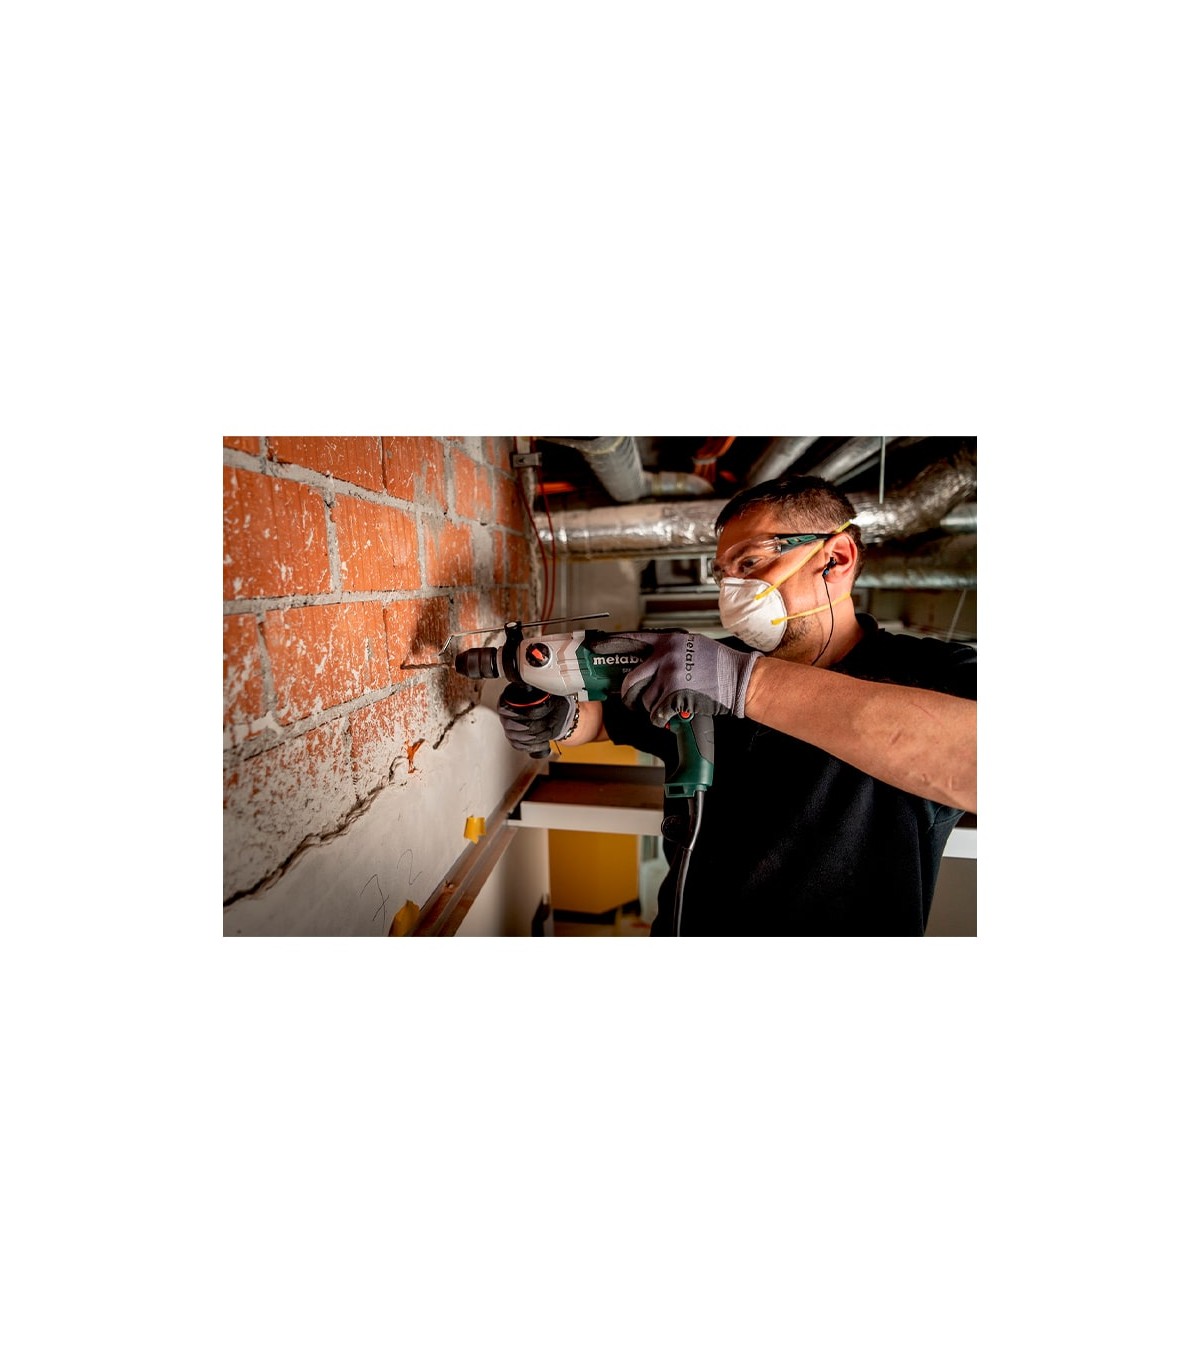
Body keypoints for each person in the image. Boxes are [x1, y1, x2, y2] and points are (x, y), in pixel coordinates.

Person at [497, 473, 977, 936]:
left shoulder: (935, 673)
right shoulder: (708, 663)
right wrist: (560, 718)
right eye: (723, 575)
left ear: (835, 558)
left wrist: (743, 684)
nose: (731, 592)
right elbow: (604, 719)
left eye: (748, 564)